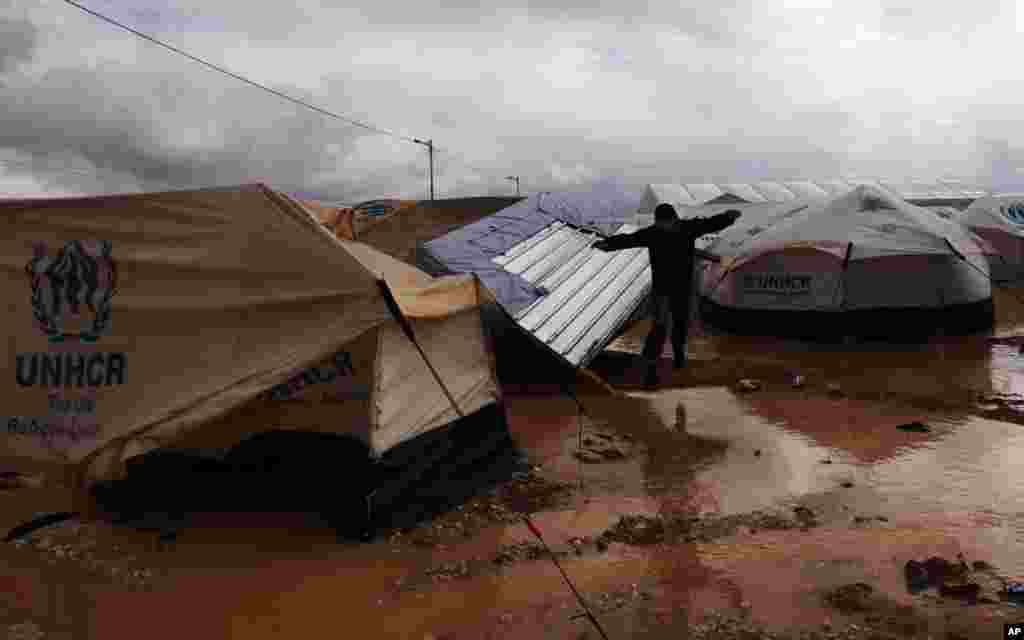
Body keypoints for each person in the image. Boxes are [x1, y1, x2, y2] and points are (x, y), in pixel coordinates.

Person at [593, 204, 741, 388]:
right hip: (662, 288)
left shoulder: (688, 227)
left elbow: (710, 224)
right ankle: (651, 367)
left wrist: (728, 217)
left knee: (680, 323)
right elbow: (631, 239)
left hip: (682, 287)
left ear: (673, 220)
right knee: (659, 326)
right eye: (660, 223)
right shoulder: (653, 232)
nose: (663, 226)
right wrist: (607, 244)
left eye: (665, 223)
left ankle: (678, 353)